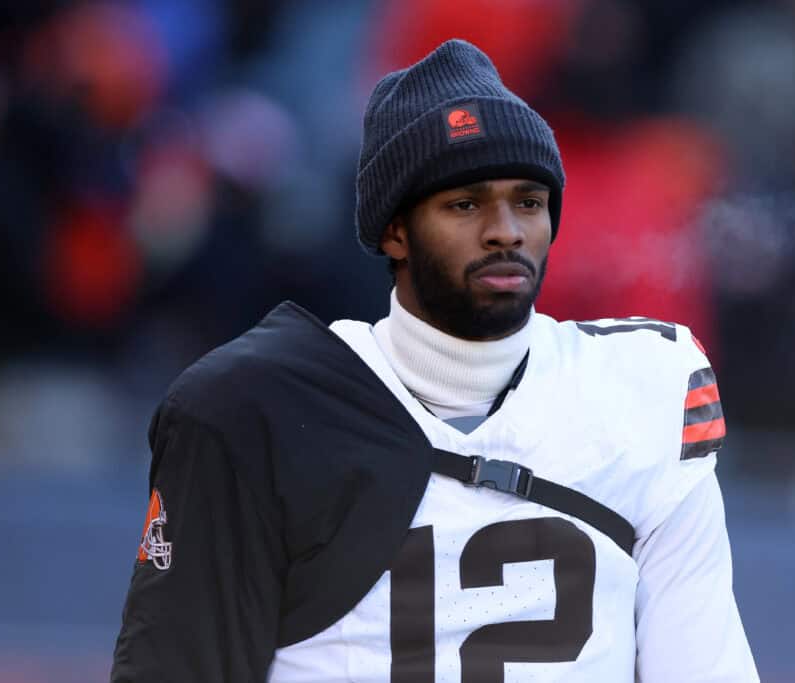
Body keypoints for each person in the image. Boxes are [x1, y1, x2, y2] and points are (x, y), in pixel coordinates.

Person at [112, 39, 759, 683]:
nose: (505, 228)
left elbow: (704, 664)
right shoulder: (255, 405)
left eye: (527, 201)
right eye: (465, 203)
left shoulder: (643, 388)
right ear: (394, 229)